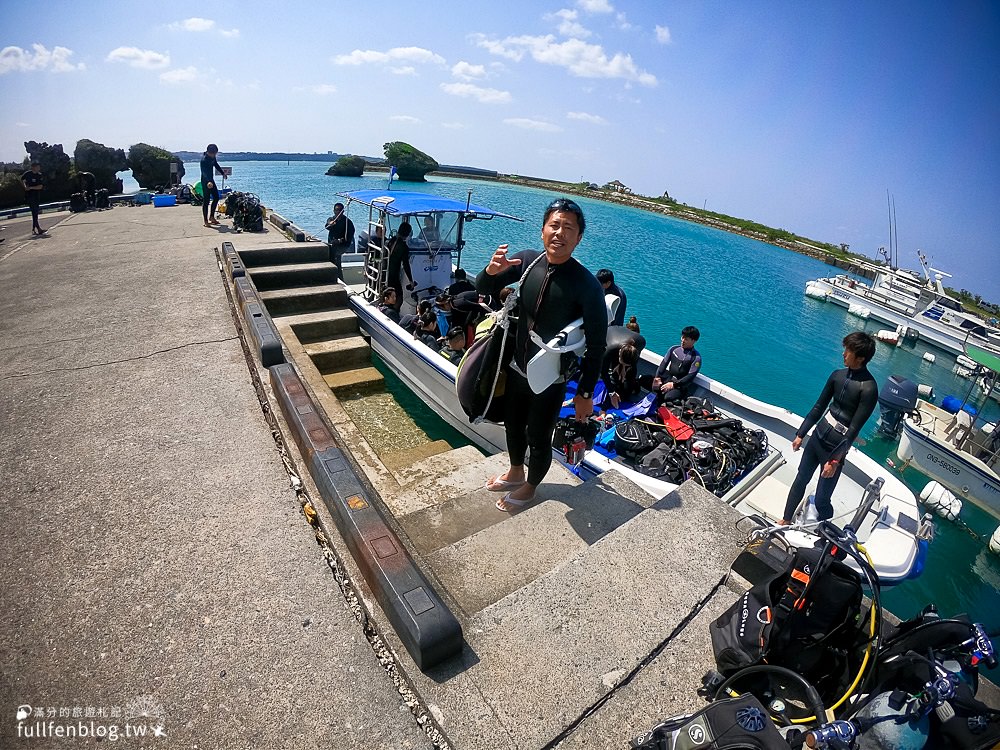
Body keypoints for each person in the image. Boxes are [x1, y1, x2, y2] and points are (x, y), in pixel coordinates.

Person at [476, 198, 607, 512]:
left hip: (550, 379)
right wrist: (491, 272)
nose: (560, 233)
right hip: (517, 367)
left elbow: (597, 346)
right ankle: (515, 471)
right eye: (554, 225)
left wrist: (585, 393)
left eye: (568, 228)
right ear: (543, 230)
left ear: (578, 238)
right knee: (512, 425)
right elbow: (484, 288)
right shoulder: (528, 262)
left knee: (538, 435)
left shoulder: (587, 286)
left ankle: (531, 487)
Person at [779, 331, 878, 525]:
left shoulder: (868, 388)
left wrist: (834, 460)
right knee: (801, 479)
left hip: (835, 447)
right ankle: (785, 519)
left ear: (861, 358)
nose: (843, 354)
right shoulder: (837, 376)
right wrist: (801, 433)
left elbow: (854, 429)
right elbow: (818, 407)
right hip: (818, 436)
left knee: (823, 498)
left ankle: (825, 533)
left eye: (848, 351)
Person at [642, 326, 702, 403]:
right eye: (682, 337)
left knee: (668, 397)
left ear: (693, 341)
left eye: (686, 339)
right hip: (667, 379)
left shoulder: (696, 358)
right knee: (643, 379)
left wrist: (674, 385)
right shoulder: (674, 349)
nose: (683, 340)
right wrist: (657, 378)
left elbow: (690, 377)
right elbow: (663, 365)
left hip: (680, 387)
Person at [386, 222, 414, 311]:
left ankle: (386, 309)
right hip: (393, 274)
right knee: (399, 296)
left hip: (385, 271)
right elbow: (406, 265)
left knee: (388, 293)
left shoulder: (392, 240)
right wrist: (411, 280)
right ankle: (393, 313)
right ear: (408, 234)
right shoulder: (404, 247)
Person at [605, 341, 641, 409]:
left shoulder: (633, 357)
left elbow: (626, 392)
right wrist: (612, 392)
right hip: (618, 359)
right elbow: (604, 373)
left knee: (623, 397)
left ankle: (635, 383)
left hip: (626, 362)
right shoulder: (612, 352)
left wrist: (625, 370)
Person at [325, 202, 355, 280]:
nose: (337, 212)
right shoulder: (332, 219)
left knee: (336, 259)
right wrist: (330, 224)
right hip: (332, 244)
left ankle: (340, 279)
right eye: (336, 210)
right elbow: (327, 226)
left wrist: (340, 241)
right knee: (329, 258)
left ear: (343, 211)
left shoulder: (347, 222)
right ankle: (332, 278)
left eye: (339, 210)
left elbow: (350, 235)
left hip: (343, 245)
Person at [200, 144, 227, 228]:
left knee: (216, 197)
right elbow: (204, 172)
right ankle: (205, 220)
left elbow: (216, 165)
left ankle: (212, 217)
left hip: (211, 180)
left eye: (215, 154)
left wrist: (223, 173)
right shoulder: (204, 160)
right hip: (206, 181)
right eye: (213, 154)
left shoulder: (212, 157)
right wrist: (208, 181)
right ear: (208, 152)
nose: (214, 155)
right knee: (206, 201)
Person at [22, 161, 45, 235]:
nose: (39, 168)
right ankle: (38, 228)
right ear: (33, 167)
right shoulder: (27, 174)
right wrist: (25, 187)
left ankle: (34, 229)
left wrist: (31, 187)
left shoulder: (39, 175)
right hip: (29, 196)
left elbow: (40, 186)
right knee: (34, 211)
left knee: (35, 212)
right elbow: (23, 180)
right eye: (37, 167)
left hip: (36, 195)